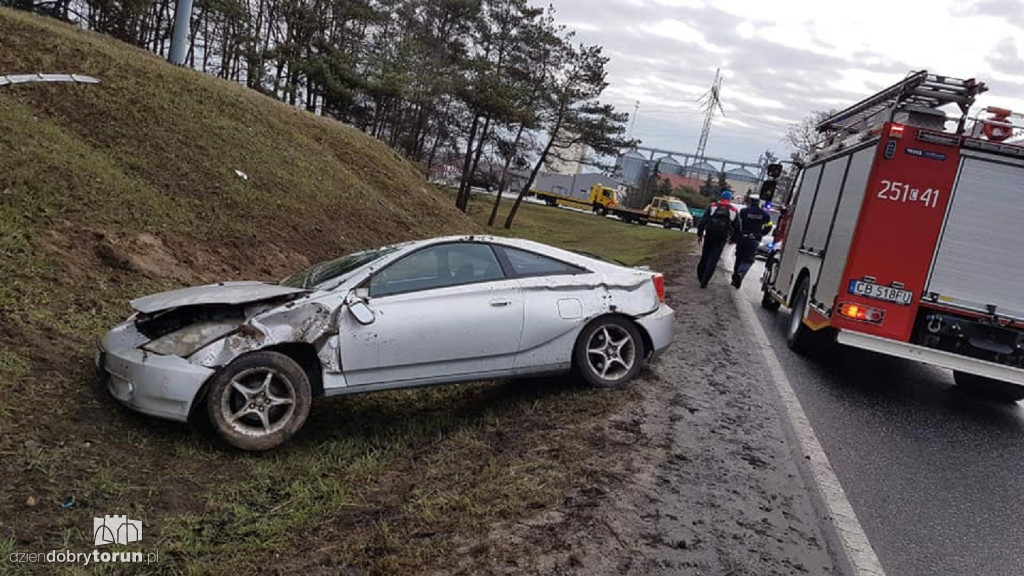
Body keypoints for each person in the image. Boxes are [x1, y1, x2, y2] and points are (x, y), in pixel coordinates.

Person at [696, 190, 741, 288]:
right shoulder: (733, 210)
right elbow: (738, 228)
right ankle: (705, 281)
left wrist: (700, 234)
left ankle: (700, 276)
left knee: (705, 256)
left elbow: (703, 221)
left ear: (720, 197)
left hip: (710, 234)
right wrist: (733, 239)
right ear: (730, 199)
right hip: (722, 237)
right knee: (713, 259)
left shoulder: (713, 206)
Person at [731, 194, 773, 288]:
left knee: (739, 257)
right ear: (758, 202)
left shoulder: (743, 211)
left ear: (750, 202)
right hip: (754, 239)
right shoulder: (765, 215)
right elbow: (769, 226)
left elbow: (738, 223)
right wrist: (762, 233)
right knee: (749, 259)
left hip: (742, 237)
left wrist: (735, 235)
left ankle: (735, 277)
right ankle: (741, 273)